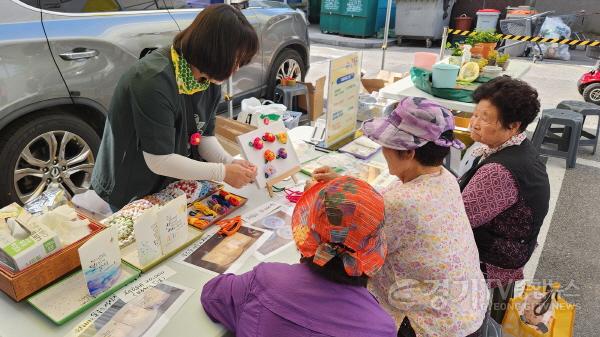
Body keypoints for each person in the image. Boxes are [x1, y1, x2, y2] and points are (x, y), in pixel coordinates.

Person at [313, 97, 489, 337]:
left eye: (387, 143)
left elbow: (351, 254)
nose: (384, 150)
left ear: (408, 152)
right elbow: (389, 201)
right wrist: (345, 184)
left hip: (432, 325)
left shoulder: (400, 204)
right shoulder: (445, 178)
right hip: (468, 309)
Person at [91, 5, 258, 209]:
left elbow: (204, 136)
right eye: (236, 60)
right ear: (215, 52)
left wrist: (229, 162)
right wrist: (222, 172)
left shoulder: (208, 79)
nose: (237, 69)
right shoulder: (152, 80)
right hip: (132, 182)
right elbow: (159, 160)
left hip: (173, 182)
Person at [201, 176, 397, 337]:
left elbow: (211, 294)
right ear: (372, 249)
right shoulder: (380, 327)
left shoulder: (265, 279)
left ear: (309, 232)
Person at [458, 76, 551, 323]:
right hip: (518, 245)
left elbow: (458, 220)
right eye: (475, 114)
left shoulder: (498, 171)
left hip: (496, 257)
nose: (474, 123)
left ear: (513, 126)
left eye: (485, 118)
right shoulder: (519, 148)